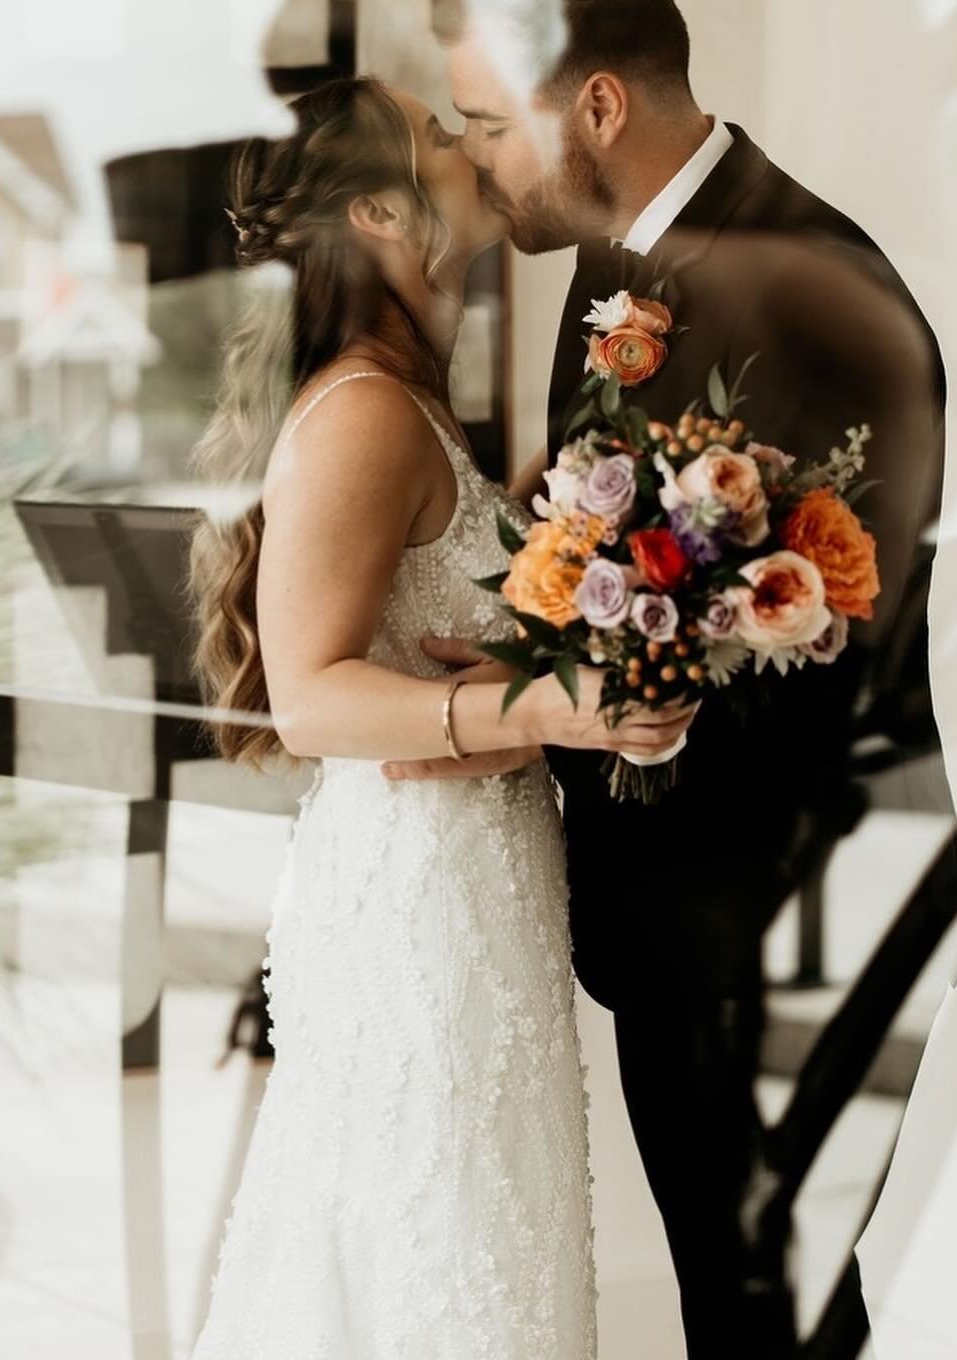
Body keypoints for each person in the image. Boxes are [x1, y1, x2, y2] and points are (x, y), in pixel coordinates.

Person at [389, 0, 948, 1357]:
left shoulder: (821, 281)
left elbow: (842, 622)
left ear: (595, 109)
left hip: (767, 892)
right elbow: (599, 520)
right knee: (715, 1261)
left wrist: (602, 700)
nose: (471, 162)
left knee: (769, 1273)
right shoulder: (607, 262)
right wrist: (520, 650)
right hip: (661, 879)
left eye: (488, 125)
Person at [186, 73, 695, 1358]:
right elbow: (308, 697)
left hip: (473, 884)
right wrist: (552, 710)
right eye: (437, 134)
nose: (471, 141)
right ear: (380, 211)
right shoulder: (363, 412)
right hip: (418, 913)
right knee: (444, 1258)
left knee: (485, 1258)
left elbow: (420, 655)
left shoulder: (410, 402)